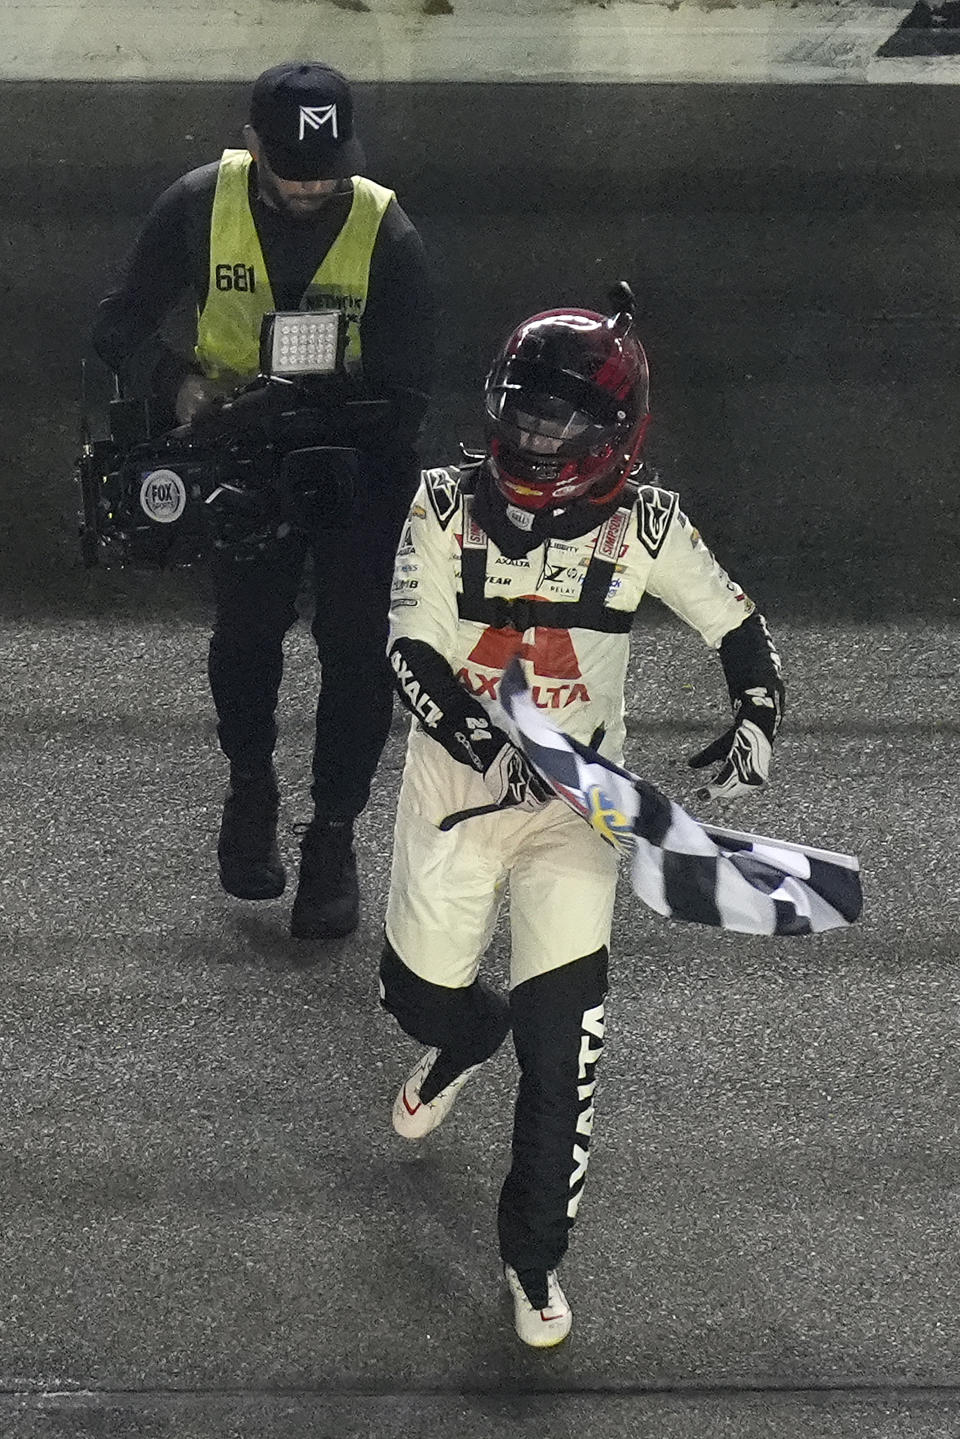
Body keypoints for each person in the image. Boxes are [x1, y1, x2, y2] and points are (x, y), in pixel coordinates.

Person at [378, 290, 785, 1347]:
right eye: (523, 414)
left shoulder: (649, 522)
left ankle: (532, 1255)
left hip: (576, 815)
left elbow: (736, 622)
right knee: (416, 994)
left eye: (562, 425)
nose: (536, 438)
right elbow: (409, 651)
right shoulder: (435, 502)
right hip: (451, 798)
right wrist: (484, 742)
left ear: (617, 436)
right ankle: (465, 1034)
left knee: (566, 1058)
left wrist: (757, 708)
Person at [93, 61, 436, 939]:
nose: (313, 183)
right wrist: (178, 388)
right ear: (253, 145)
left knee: (356, 645)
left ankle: (332, 835)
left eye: (326, 166)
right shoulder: (197, 205)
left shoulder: (386, 230)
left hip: (353, 462)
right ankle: (250, 785)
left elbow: (412, 389)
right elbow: (117, 326)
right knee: (246, 631)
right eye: (292, 167)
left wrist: (324, 405)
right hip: (237, 456)